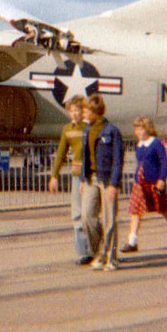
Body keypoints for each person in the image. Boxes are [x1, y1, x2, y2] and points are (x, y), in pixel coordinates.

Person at [122, 116, 167, 252]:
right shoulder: (139, 145)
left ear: (147, 129)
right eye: (136, 129)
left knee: (165, 210)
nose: (137, 132)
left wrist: (162, 179)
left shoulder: (156, 143)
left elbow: (164, 162)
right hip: (140, 184)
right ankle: (132, 241)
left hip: (154, 184)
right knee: (135, 211)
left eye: (140, 129)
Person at [46, 95, 93, 264]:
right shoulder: (67, 130)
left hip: (90, 176)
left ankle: (95, 248)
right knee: (77, 214)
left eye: (77, 110)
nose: (74, 114)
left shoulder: (89, 128)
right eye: (71, 111)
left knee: (91, 214)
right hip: (75, 177)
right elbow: (61, 153)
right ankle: (83, 253)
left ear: (83, 111)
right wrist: (54, 175)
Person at [80, 95, 123, 271]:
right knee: (87, 216)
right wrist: (84, 178)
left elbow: (118, 160)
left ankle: (111, 258)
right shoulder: (87, 131)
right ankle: (99, 253)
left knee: (109, 220)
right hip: (91, 179)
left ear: (95, 112)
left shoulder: (112, 131)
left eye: (86, 110)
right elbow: (85, 157)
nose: (84, 113)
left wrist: (114, 183)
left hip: (106, 179)